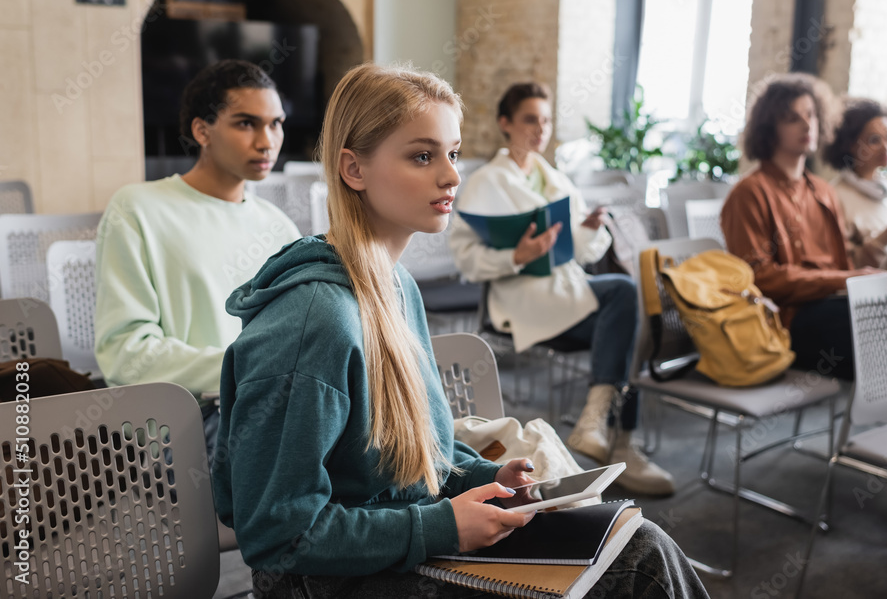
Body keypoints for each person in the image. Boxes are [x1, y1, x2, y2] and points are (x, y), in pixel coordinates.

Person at [210, 64, 710, 598]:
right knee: (637, 568)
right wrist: (442, 526)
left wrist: (482, 480)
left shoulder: (397, 287)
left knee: (637, 542)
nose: (451, 176)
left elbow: (417, 459)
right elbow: (276, 535)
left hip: (400, 535)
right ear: (353, 169)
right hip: (322, 581)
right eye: (422, 156)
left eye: (451, 154)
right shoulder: (314, 322)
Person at [721, 72, 887, 552]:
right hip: (792, 325)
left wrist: (876, 262)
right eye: (792, 118)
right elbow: (759, 278)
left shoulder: (821, 191)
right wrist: (848, 280)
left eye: (811, 116)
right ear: (769, 127)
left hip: (839, 308)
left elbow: (845, 265)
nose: (807, 126)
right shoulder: (750, 193)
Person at [448, 82, 675, 496]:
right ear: (506, 123)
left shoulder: (553, 178)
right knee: (622, 293)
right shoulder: (486, 183)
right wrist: (517, 255)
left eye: (547, 120)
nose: (540, 129)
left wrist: (588, 230)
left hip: (567, 293)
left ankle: (617, 440)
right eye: (530, 119)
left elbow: (582, 254)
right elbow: (466, 261)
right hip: (522, 300)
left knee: (632, 323)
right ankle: (606, 433)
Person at [94, 60, 301, 462]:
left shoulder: (279, 227)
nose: (267, 141)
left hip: (271, 404)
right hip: (182, 423)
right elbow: (125, 355)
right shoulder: (137, 210)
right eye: (246, 124)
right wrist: (245, 371)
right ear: (201, 130)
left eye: (275, 123)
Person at [824, 98, 887, 270]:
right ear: (851, 145)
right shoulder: (835, 196)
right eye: (874, 140)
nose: (886, 147)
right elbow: (849, 267)